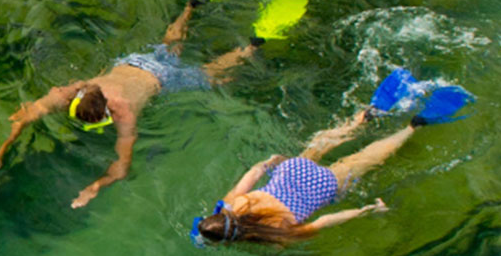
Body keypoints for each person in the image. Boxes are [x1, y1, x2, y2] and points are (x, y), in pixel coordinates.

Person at [0, 0, 299, 209]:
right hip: (135, 64)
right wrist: (0, 151)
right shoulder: (82, 88)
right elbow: (24, 116)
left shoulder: (122, 112)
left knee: (211, 75)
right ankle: (190, 8)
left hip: (163, 79)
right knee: (169, 47)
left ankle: (252, 46)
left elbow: (121, 168)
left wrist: (93, 187)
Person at [191, 80, 473, 245]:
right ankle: (364, 118)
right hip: (291, 171)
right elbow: (254, 172)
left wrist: (366, 210)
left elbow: (325, 220)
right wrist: (271, 162)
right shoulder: (232, 204)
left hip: (321, 188)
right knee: (322, 143)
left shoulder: (278, 235)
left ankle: (413, 127)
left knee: (364, 159)